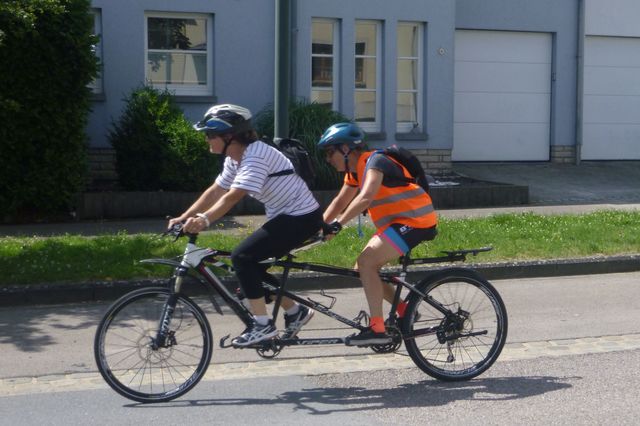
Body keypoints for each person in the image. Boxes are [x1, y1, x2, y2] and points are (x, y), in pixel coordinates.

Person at [169, 104, 322, 346]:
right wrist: (184, 216)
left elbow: (233, 195)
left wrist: (204, 220)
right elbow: (217, 189)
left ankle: (262, 326)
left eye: (210, 134)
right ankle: (296, 312)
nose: (206, 139)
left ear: (229, 136)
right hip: (285, 218)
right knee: (251, 267)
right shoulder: (235, 157)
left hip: (301, 218)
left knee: (242, 257)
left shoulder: (256, 155)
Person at [318, 122, 438, 346]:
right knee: (362, 268)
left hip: (416, 221)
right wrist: (319, 227)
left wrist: (338, 225)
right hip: (399, 224)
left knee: (367, 262)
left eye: (330, 152)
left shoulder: (375, 161)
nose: (328, 158)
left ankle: (377, 328)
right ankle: (406, 310)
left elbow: (366, 197)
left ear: (346, 149)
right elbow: (339, 201)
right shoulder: (355, 172)